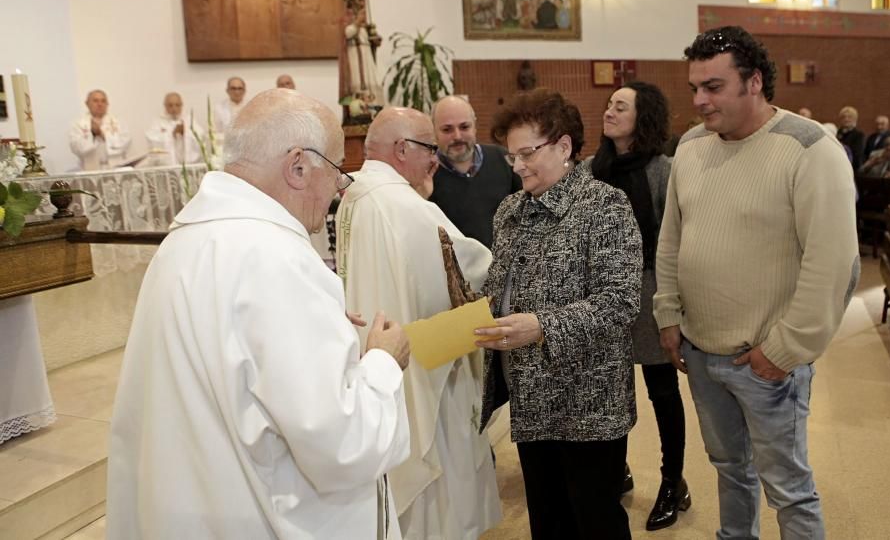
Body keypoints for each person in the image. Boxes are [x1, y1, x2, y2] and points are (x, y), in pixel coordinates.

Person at [107, 89, 412, 539]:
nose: (337, 190)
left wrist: (317, 332)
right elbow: (344, 444)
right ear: (298, 166)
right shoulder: (277, 259)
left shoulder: (186, 239)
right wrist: (383, 361)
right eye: (335, 171)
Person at [655, 26, 859, 539]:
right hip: (702, 350)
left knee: (788, 487)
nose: (700, 101)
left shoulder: (810, 149)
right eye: (694, 88)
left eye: (714, 86)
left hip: (765, 359)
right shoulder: (693, 145)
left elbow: (833, 264)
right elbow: (672, 237)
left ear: (755, 82)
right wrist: (669, 313)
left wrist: (787, 348)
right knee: (729, 469)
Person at [474, 89, 643, 540]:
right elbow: (501, 287)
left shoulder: (605, 206)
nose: (519, 166)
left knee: (596, 521)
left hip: (588, 401)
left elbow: (621, 300)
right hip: (531, 398)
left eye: (528, 153)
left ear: (564, 146)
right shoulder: (511, 210)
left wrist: (542, 326)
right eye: (512, 157)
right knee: (548, 522)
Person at [336, 107, 501, 540]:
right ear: (402, 148)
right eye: (430, 147)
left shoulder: (356, 194)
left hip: (376, 360)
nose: (436, 159)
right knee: (440, 495)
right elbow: (467, 276)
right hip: (423, 371)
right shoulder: (404, 206)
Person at [583, 82, 691, 531]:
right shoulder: (591, 168)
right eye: (608, 104)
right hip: (602, 294)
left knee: (662, 392)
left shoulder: (665, 169)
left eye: (620, 106)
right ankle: (616, 469)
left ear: (642, 117)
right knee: (609, 391)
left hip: (650, 293)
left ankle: (673, 481)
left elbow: (675, 242)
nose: (609, 111)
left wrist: (673, 308)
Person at [429, 95, 521, 248]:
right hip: (453, 269)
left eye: (464, 127)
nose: (457, 136)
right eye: (447, 129)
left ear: (475, 127)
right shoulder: (426, 175)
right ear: (434, 132)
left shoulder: (505, 160)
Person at [69, 89, 131, 170]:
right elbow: (76, 148)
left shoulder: (118, 122)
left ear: (107, 104)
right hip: (89, 169)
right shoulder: (79, 124)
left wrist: (103, 136)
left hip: (115, 168)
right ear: (87, 103)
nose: (100, 104)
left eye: (103, 101)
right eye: (95, 101)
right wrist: (93, 135)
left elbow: (124, 143)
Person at [144, 92, 204, 166]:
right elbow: (152, 140)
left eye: (177, 105)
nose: (174, 108)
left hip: (187, 166)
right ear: (165, 106)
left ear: (182, 105)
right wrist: (171, 134)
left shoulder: (189, 120)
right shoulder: (158, 122)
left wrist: (185, 132)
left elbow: (200, 137)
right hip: (165, 167)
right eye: (170, 105)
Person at [836, 105, 865, 171]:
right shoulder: (838, 133)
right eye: (843, 117)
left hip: (851, 168)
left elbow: (857, 155)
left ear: (855, 119)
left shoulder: (858, 135)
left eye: (849, 117)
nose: (846, 119)